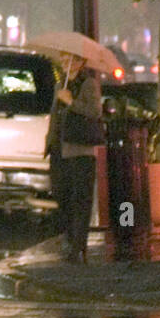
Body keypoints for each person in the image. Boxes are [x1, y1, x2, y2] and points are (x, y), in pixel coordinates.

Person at [48, 62, 104, 263]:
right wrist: (49, 140)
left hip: (80, 149)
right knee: (61, 195)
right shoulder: (59, 84)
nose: (64, 61)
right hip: (59, 149)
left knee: (80, 199)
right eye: (62, 57)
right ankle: (70, 238)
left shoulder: (88, 83)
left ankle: (78, 245)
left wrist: (71, 101)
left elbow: (95, 111)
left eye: (69, 57)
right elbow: (55, 115)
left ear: (80, 62)